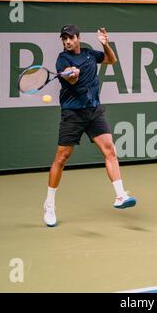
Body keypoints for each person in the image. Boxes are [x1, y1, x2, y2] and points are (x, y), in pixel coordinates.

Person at [43, 24, 136, 227]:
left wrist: (105, 45)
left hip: (93, 111)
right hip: (72, 114)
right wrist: (71, 74)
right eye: (64, 39)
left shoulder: (89, 54)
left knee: (109, 149)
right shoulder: (62, 59)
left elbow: (111, 60)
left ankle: (120, 195)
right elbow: (72, 80)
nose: (67, 41)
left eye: (70, 38)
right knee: (61, 158)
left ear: (78, 37)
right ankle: (49, 204)